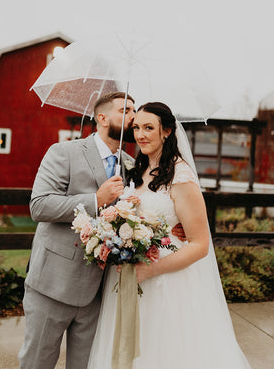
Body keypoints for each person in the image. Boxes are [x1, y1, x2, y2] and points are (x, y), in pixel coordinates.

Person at [87, 102, 251, 369]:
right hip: (128, 278)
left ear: (167, 131)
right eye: (136, 127)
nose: (141, 135)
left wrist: (151, 270)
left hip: (167, 279)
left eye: (149, 128)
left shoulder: (181, 175)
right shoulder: (134, 171)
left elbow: (200, 245)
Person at [18, 91, 135, 369]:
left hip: (100, 291)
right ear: (102, 118)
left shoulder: (130, 165)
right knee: (37, 364)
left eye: (134, 111)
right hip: (53, 286)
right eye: (125, 111)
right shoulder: (64, 152)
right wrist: (96, 200)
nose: (133, 117)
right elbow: (40, 206)